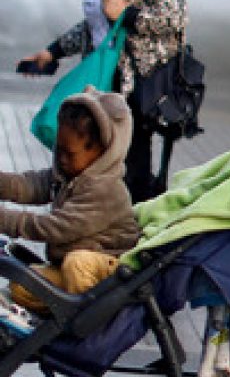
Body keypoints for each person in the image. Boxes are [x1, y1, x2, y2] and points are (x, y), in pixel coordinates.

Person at [18, 0, 190, 202]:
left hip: (134, 84)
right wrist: (53, 52)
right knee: (96, 164)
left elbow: (175, 19)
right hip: (103, 79)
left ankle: (128, 240)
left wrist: (128, 13)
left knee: (129, 170)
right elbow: (96, 22)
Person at [0, 88, 139, 341]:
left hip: (107, 274)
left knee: (78, 262)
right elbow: (28, 185)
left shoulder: (106, 189)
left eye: (70, 153)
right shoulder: (70, 175)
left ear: (100, 151)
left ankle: (90, 326)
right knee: (21, 285)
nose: (62, 159)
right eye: (58, 150)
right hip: (71, 273)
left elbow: (56, 228)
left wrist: (5, 220)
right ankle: (69, 312)